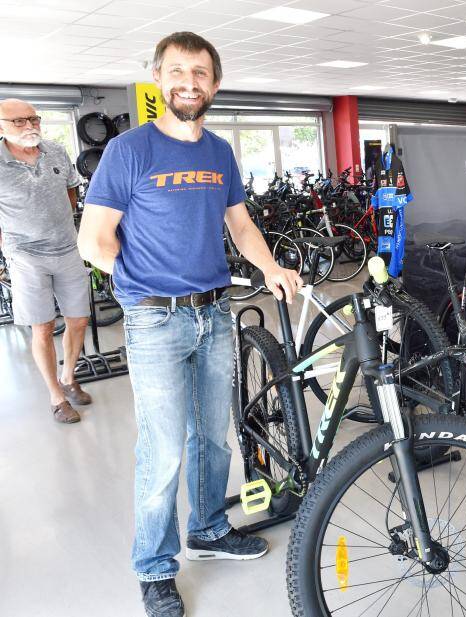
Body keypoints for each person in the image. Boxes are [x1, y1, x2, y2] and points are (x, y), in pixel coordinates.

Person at [77, 32, 302, 617]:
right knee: (164, 448)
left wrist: (271, 266)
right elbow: (93, 239)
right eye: (177, 71)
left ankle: (207, 528)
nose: (189, 82)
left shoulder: (219, 152)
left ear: (215, 84)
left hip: (213, 314)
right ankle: (153, 567)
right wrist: (135, 282)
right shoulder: (129, 151)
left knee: (212, 438)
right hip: (154, 321)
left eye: (200, 73)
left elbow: (241, 225)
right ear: (158, 77)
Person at [0, 98, 91, 424]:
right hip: (25, 255)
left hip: (67, 248)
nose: (29, 126)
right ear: (1, 127)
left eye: (33, 119)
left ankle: (69, 377)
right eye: (18, 122)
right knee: (43, 326)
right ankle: (56, 396)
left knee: (79, 319)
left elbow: (70, 191)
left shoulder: (55, 151)